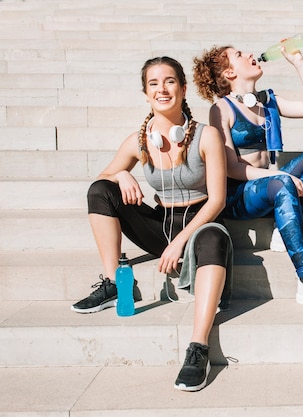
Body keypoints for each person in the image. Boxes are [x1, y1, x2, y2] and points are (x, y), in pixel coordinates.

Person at [71, 56, 230, 392]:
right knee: (101, 191)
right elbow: (103, 177)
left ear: (183, 88)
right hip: (160, 224)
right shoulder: (139, 140)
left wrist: (179, 242)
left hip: (201, 222)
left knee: (213, 240)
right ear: (145, 93)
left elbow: (217, 200)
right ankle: (116, 283)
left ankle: (198, 347)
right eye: (154, 83)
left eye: (170, 81)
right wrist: (122, 174)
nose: (162, 89)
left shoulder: (207, 136)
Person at [192, 44, 303, 309]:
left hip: (271, 184)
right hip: (240, 195)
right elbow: (231, 166)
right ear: (230, 73)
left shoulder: (268, 102)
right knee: (281, 181)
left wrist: (299, 63)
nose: (250, 54)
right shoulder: (222, 109)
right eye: (240, 55)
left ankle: (285, 228)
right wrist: (277, 174)